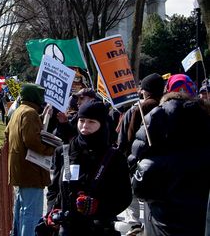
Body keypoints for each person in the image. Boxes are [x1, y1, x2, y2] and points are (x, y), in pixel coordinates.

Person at [130, 74, 210, 236]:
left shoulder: (156, 114)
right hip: (200, 208)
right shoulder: (205, 113)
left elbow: (137, 154)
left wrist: (144, 171)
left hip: (161, 211)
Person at [46, 100, 132, 236]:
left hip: (99, 228)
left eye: (91, 122)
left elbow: (124, 197)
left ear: (102, 124)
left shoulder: (115, 157)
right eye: (82, 120)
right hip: (67, 229)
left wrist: (99, 207)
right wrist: (52, 211)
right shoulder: (63, 152)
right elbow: (53, 190)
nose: (85, 126)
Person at [117, 73, 165, 236]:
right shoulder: (169, 107)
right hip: (163, 162)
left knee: (137, 192)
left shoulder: (139, 108)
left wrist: (125, 155)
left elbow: (127, 138)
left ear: (144, 90)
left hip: (140, 159)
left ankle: (135, 224)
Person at [5, 83, 56, 236]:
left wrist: (42, 118)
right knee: (31, 213)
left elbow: (8, 133)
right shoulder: (30, 113)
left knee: (21, 210)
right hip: (31, 170)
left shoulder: (19, 111)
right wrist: (50, 149)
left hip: (19, 168)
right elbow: (32, 141)